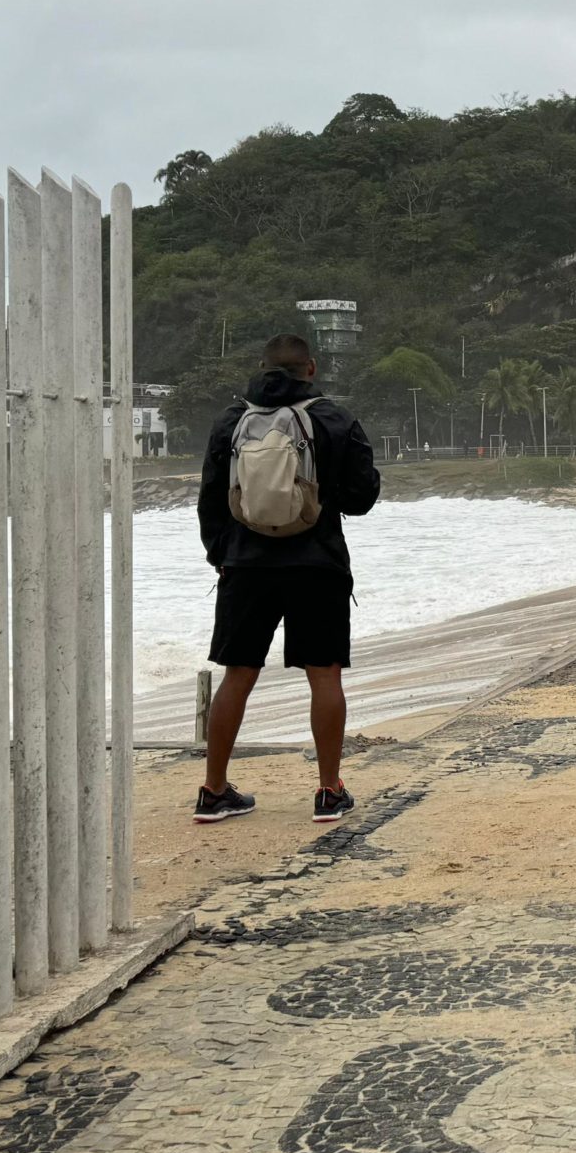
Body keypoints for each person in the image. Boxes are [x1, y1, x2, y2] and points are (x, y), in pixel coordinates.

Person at [195, 333, 382, 822]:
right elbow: (363, 498)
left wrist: (222, 554)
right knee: (323, 674)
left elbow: (212, 498)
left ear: (261, 367)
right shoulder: (334, 418)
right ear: (311, 368)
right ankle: (328, 791)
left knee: (238, 674)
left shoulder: (232, 421)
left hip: (245, 565)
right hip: (316, 564)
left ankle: (214, 791)